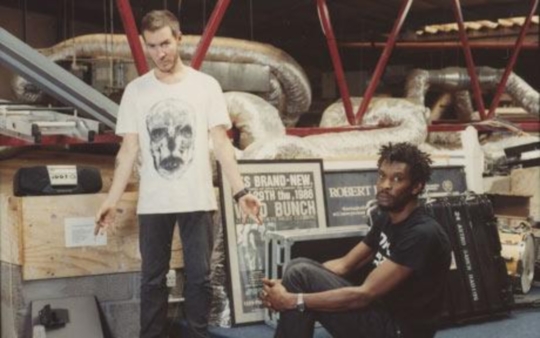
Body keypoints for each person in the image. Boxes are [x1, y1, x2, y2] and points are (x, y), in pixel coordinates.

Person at [94, 10, 262, 338]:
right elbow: (128, 151)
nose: (161, 53)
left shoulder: (205, 86)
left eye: (166, 43)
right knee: (152, 280)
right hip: (154, 203)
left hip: (197, 199)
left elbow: (221, 145)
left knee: (199, 279)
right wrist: (111, 200)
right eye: (153, 46)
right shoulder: (136, 91)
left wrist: (240, 192)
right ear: (144, 46)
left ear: (179, 39)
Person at [262, 142, 451, 338]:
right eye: (382, 176)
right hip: (379, 313)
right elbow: (344, 265)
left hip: (397, 331)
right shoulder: (386, 217)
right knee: (297, 270)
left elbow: (364, 295)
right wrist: (285, 286)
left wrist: (292, 300)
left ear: (416, 187)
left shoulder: (422, 234)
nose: (385, 185)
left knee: (299, 282)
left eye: (397, 179)